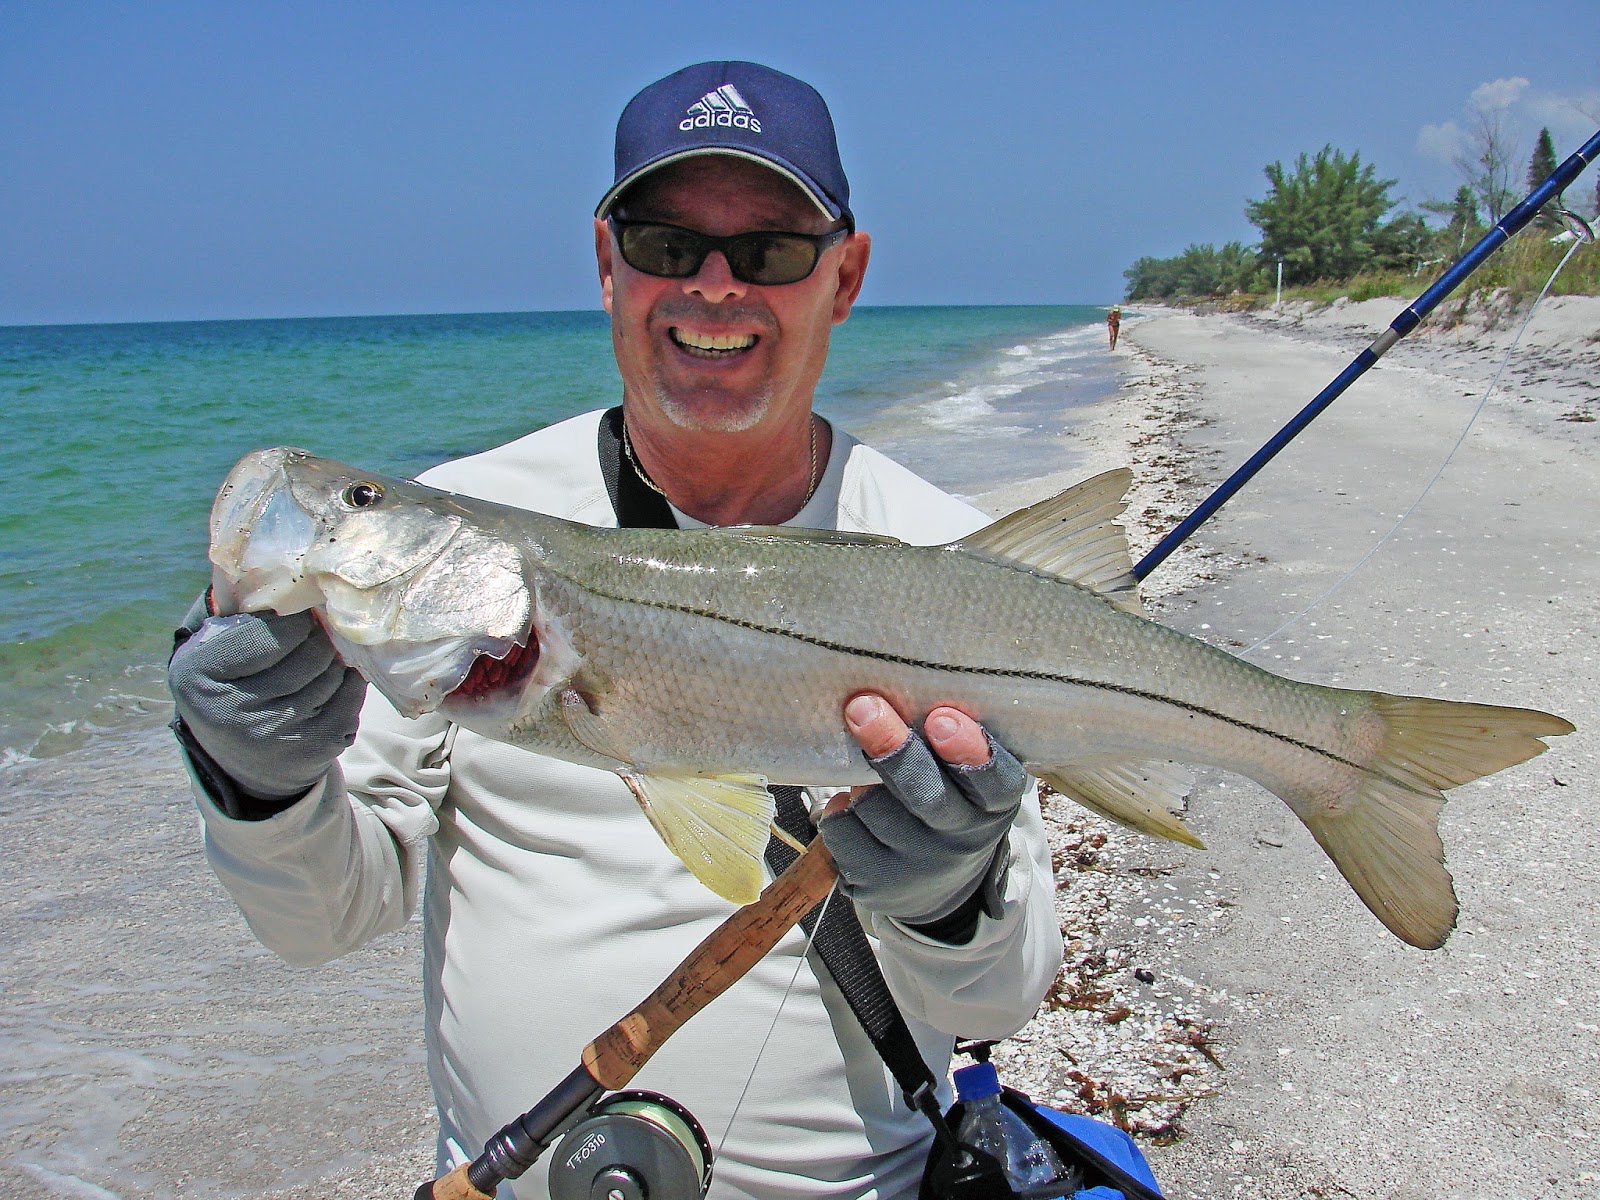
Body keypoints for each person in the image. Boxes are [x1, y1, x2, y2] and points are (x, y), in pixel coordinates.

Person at [167, 61, 1063, 1200]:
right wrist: (257, 780)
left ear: (846, 276)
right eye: (665, 242)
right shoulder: (468, 523)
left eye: (774, 249)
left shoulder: (952, 563)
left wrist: (949, 894)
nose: (716, 287)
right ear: (606, 264)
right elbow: (318, 921)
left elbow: (997, 1000)